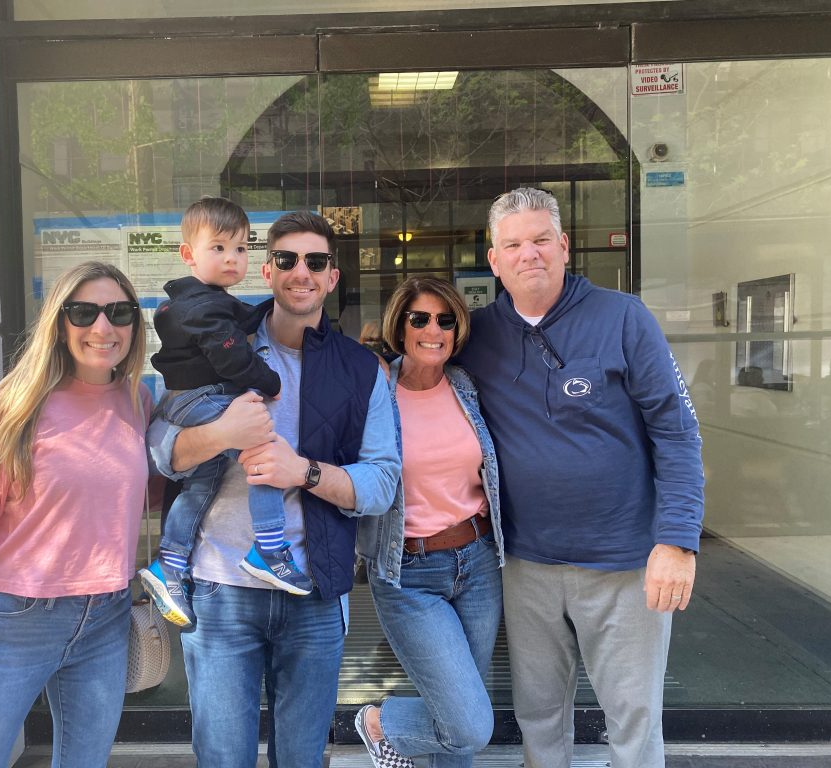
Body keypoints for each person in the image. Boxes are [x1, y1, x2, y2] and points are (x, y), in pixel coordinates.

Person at [456, 188, 705, 768]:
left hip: (624, 561)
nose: (529, 254)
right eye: (513, 245)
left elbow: (677, 433)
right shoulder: (476, 334)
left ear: (564, 246)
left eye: (541, 239)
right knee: (538, 715)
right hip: (525, 564)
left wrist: (678, 540)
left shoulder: (623, 317)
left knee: (633, 719)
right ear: (494, 260)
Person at [147, 210, 400, 767]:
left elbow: (381, 484)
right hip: (220, 589)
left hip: (314, 590)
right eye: (287, 259)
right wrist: (220, 435)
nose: (301, 271)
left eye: (316, 261)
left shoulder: (362, 370)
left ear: (332, 276)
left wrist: (303, 471)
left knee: (302, 758)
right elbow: (162, 451)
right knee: (223, 757)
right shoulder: (217, 337)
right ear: (268, 270)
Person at [0, 261, 151, 768]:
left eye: (119, 312)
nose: (103, 326)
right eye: (83, 312)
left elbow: (133, 497)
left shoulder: (137, 399)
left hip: (106, 616)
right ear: (59, 323)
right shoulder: (15, 407)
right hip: (13, 620)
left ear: (135, 322)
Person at [140, 197, 310, 630]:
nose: (232, 258)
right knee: (262, 452)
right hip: (200, 398)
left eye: (240, 248)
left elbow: (243, 318)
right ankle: (269, 547)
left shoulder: (202, 300)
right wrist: (270, 382)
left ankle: (170, 561)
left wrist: (270, 311)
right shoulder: (204, 307)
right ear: (188, 254)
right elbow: (232, 356)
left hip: (189, 399)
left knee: (203, 481)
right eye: (218, 248)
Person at [355, 277, 504, 768]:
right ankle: (379, 723)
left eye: (445, 320)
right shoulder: (375, 390)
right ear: (399, 326)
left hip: (478, 563)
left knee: (457, 722)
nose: (433, 330)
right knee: (467, 724)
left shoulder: (465, 386)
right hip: (409, 573)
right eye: (419, 319)